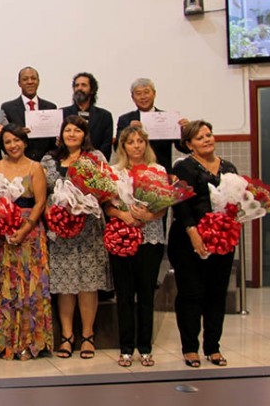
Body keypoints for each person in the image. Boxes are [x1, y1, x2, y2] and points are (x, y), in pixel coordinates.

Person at [40, 116, 112, 359]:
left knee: (88, 284)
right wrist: (51, 210)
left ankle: (88, 336)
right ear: (61, 134)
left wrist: (86, 202)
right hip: (60, 229)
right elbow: (43, 192)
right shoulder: (49, 160)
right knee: (64, 284)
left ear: (85, 135)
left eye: (77, 130)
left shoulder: (96, 158)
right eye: (67, 130)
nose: (72, 134)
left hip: (89, 228)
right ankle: (67, 336)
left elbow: (106, 189)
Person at [168, 120, 237, 368]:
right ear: (189, 144)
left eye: (209, 135)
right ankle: (190, 348)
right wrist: (193, 232)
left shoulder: (229, 167)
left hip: (222, 240)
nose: (207, 139)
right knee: (191, 292)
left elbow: (235, 201)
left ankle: (213, 347)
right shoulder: (184, 167)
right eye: (200, 137)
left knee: (216, 293)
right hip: (188, 239)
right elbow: (181, 203)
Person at [103, 126, 167, 367]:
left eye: (140, 141)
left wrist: (149, 216)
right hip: (121, 236)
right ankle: (126, 348)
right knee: (125, 294)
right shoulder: (113, 172)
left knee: (147, 293)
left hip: (150, 238)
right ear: (123, 146)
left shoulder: (157, 170)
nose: (136, 145)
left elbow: (164, 206)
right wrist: (123, 215)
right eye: (131, 142)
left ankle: (146, 347)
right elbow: (107, 207)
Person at [0, 124, 52, 360]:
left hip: (30, 233)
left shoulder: (35, 167)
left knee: (29, 286)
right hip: (3, 232)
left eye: (16, 140)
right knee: (6, 284)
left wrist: (25, 228)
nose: (12, 145)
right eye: (7, 142)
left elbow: (40, 203)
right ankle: (6, 341)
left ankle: (29, 341)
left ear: (24, 142)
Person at [115, 78, 189, 172]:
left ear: (154, 94)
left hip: (162, 171)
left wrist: (185, 132)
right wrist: (129, 131)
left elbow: (184, 149)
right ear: (133, 97)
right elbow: (117, 148)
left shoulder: (168, 118)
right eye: (138, 93)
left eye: (146, 92)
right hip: (132, 171)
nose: (143, 97)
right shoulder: (125, 120)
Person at [0, 67, 58, 161]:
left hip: (47, 162)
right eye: (25, 79)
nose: (30, 82)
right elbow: (5, 137)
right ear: (19, 83)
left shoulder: (51, 107)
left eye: (33, 78)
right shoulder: (8, 108)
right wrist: (18, 132)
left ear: (38, 81)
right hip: (18, 162)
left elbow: (53, 141)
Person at [61, 72, 114, 161]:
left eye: (84, 85)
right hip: (67, 163)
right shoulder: (62, 113)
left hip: (95, 165)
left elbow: (106, 146)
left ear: (92, 90)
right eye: (76, 85)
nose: (79, 88)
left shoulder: (104, 116)